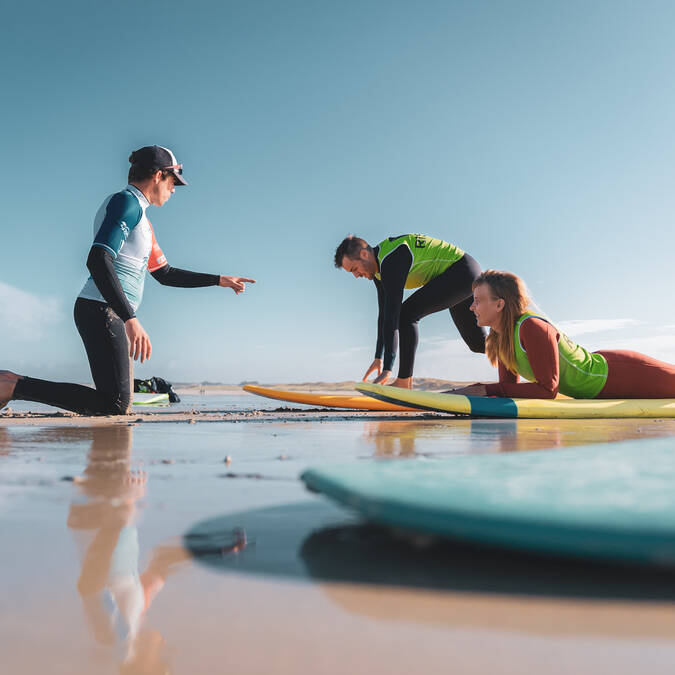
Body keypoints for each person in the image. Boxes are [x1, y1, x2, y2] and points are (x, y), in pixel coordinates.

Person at [0, 145, 255, 415]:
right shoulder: (127, 203)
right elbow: (98, 259)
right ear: (158, 175)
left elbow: (164, 274)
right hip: (100, 308)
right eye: (173, 181)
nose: (174, 189)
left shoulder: (141, 218)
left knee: (115, 401)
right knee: (115, 404)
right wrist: (130, 318)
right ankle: (13, 385)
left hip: (105, 311)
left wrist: (218, 279)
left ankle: (11, 383)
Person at [446, 270, 675, 399]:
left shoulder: (532, 327)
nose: (471, 307)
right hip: (601, 379)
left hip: (621, 374)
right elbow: (508, 390)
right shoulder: (499, 338)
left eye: (478, 301)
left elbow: (548, 390)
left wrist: (486, 390)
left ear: (499, 305)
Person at [334, 234, 486, 389]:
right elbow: (384, 316)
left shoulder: (392, 259)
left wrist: (388, 369)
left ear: (364, 254)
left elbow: (393, 315)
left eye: (354, 269)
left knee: (406, 315)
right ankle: (511, 357)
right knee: (479, 344)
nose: (356, 275)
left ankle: (404, 382)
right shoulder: (379, 271)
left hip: (460, 270)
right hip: (461, 273)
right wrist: (378, 357)